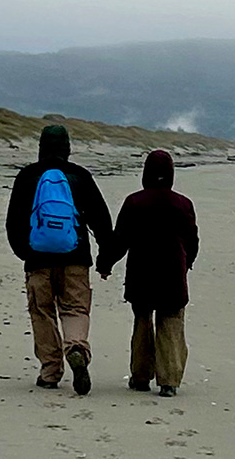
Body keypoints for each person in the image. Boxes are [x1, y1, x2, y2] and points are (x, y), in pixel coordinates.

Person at [5, 125, 113, 395]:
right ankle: (76, 347)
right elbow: (101, 220)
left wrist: (26, 254)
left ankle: (50, 371)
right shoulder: (80, 176)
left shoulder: (27, 176)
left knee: (42, 312)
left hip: (38, 259)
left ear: (41, 147)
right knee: (75, 309)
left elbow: (13, 223)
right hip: (75, 258)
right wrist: (105, 260)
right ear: (68, 148)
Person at [97, 150, 199, 398]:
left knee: (142, 322)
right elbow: (192, 241)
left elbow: (120, 240)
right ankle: (169, 380)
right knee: (171, 322)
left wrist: (105, 264)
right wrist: (187, 263)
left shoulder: (134, 202)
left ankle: (141, 376)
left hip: (141, 272)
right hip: (172, 273)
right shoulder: (183, 204)